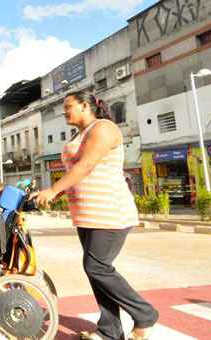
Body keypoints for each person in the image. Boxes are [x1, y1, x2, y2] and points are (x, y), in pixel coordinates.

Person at [30, 90, 158, 340]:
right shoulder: (79, 134)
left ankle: (145, 314)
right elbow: (78, 175)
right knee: (96, 270)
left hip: (110, 211)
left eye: (68, 106)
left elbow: (86, 165)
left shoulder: (104, 129)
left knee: (96, 267)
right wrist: (56, 195)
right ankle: (110, 331)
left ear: (85, 105)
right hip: (87, 214)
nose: (64, 111)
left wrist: (55, 188)